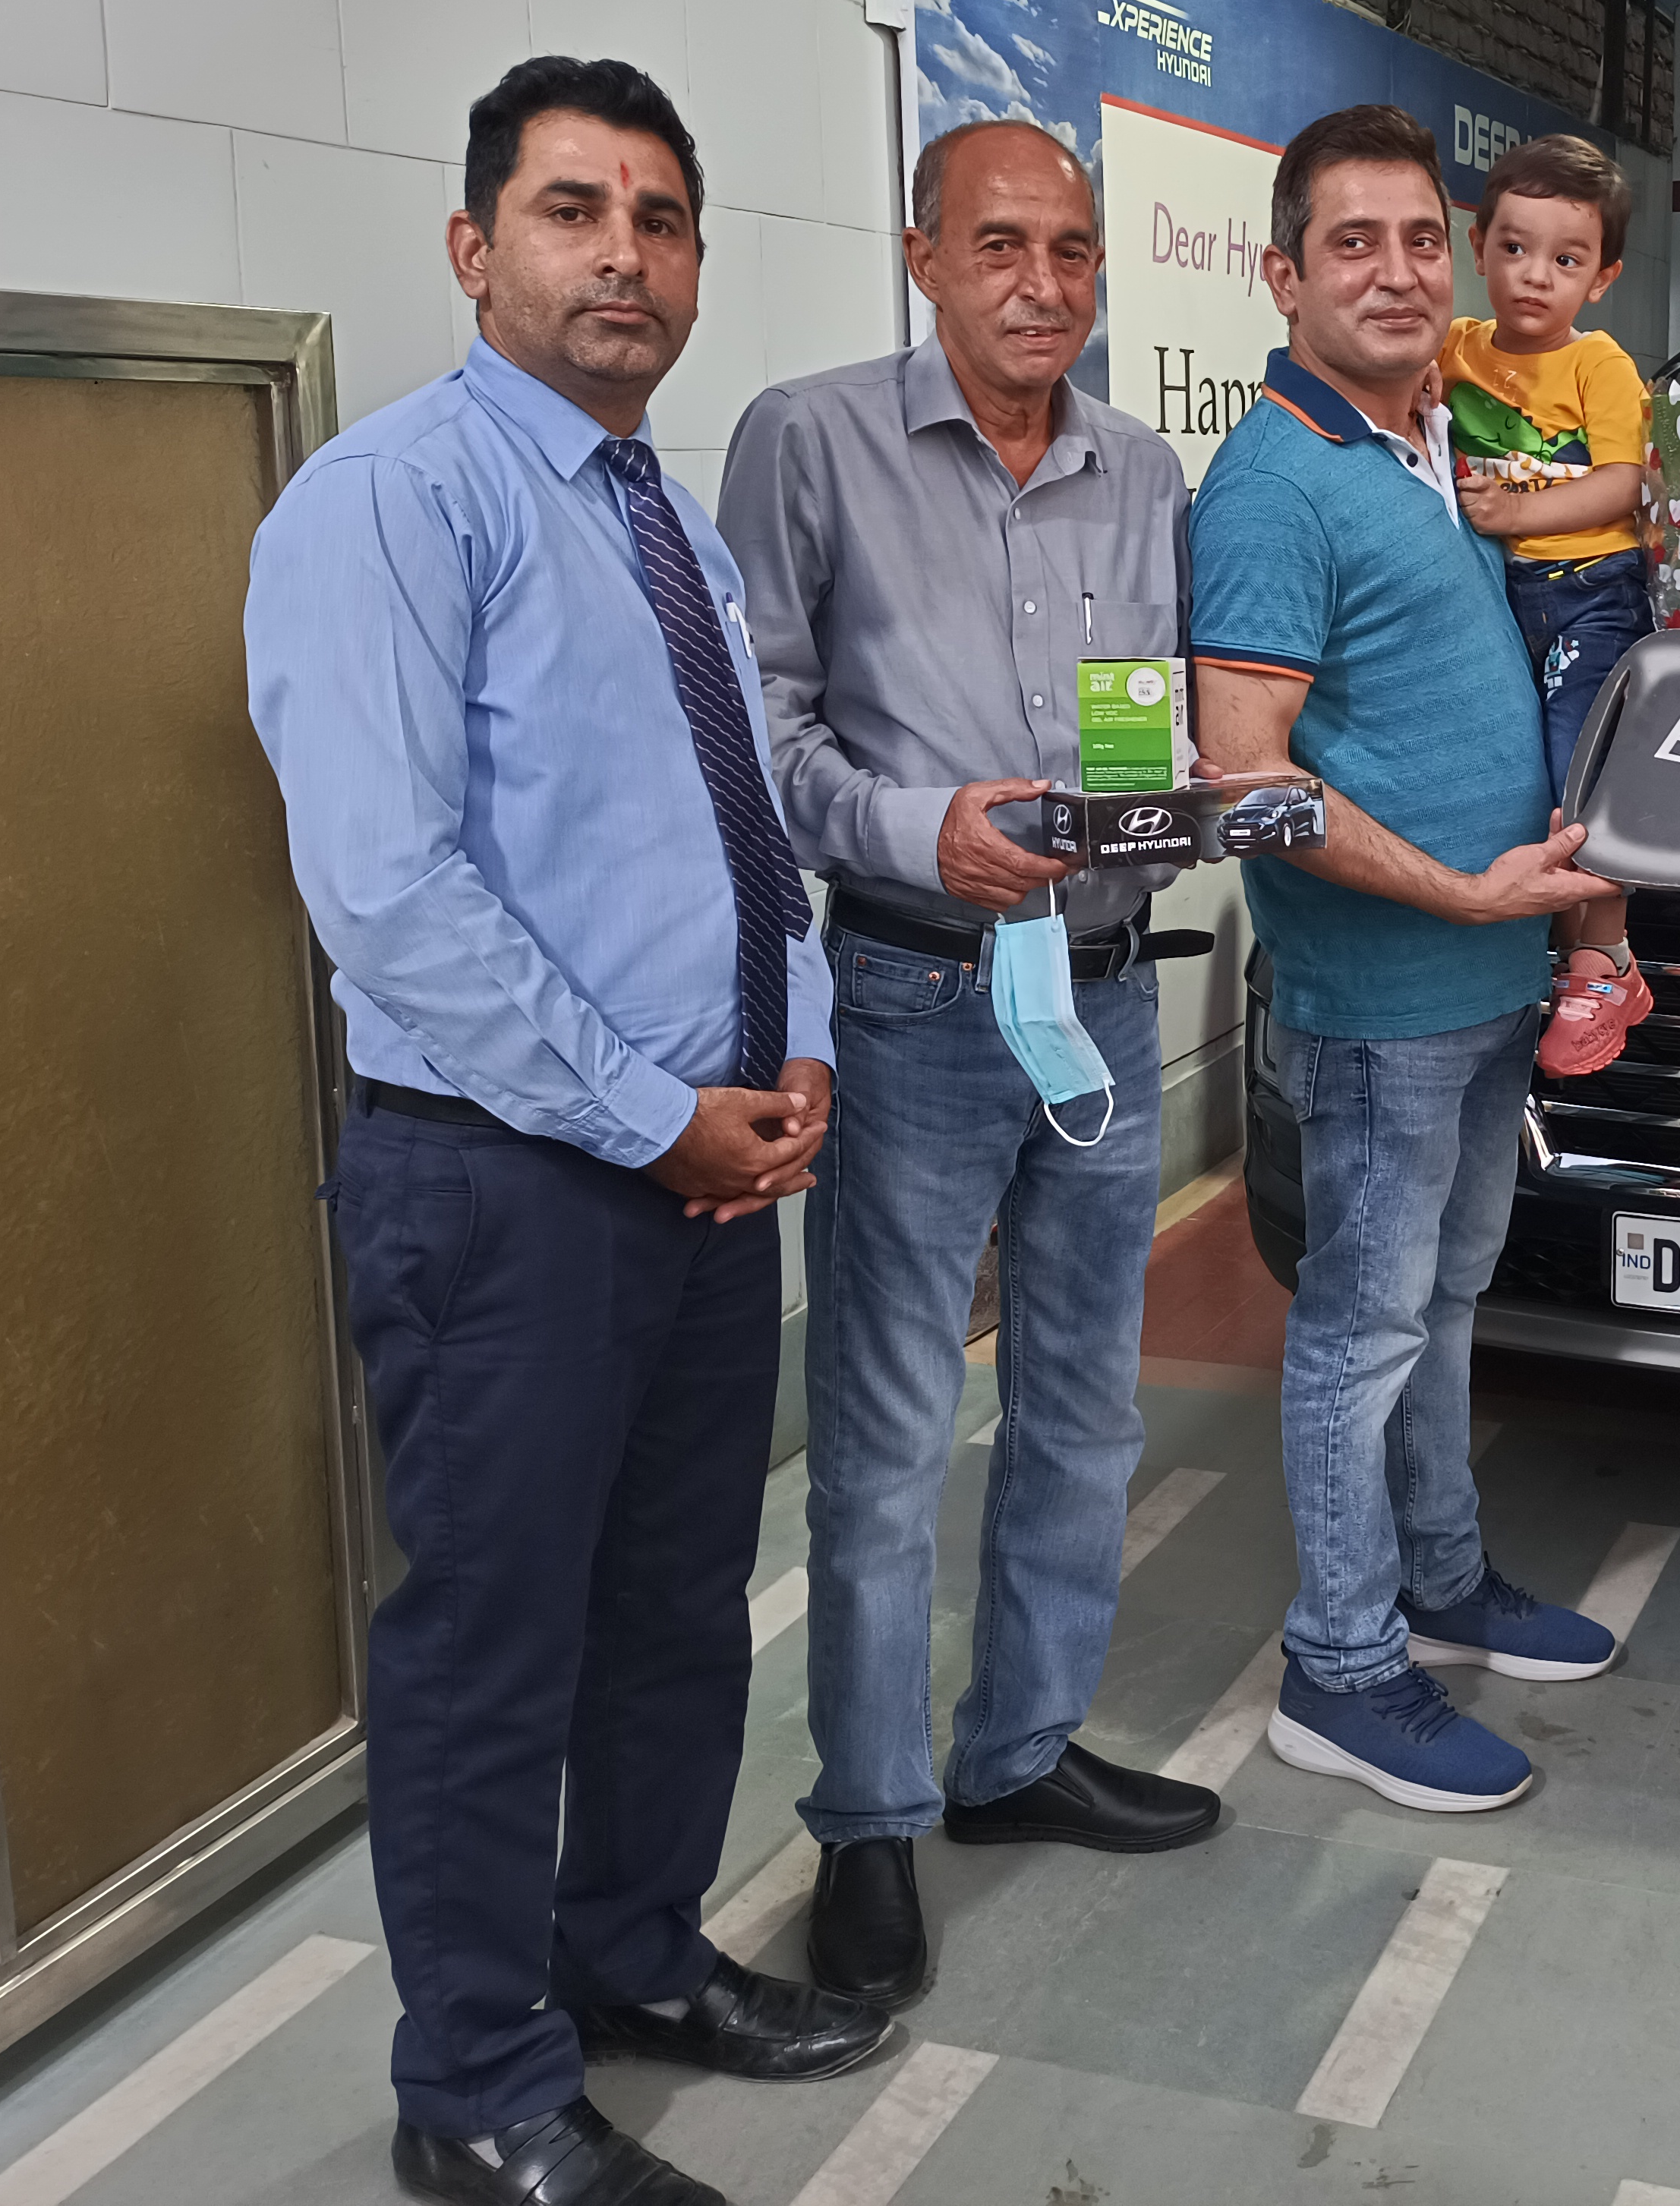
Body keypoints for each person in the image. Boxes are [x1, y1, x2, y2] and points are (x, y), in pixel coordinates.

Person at [247, 56, 888, 2206]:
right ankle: (474, 2084)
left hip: (698, 1168)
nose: (625, 255)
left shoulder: (663, 518)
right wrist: (651, 1116)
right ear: (474, 247)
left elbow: (738, 830)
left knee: (679, 1604)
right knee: (492, 1645)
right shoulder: (391, 502)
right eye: (571, 209)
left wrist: (794, 1049)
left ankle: (631, 1949)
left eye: (661, 218)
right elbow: (394, 895)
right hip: (506, 1182)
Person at [717, 118, 1221, 2016]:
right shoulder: (809, 437)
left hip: (1101, 994)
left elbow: (1144, 722)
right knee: (886, 1435)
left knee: (1085, 1406)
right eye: (1001, 245)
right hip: (914, 993)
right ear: (923, 254)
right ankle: (870, 1816)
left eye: (1073, 250)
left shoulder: (1140, 471)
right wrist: (917, 830)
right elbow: (755, 733)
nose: (1043, 284)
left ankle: (1018, 1750)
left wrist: (1175, 807)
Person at [1187, 104, 1624, 1813]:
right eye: (1351, 243)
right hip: (1382, 1004)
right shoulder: (1274, 482)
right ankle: (1340, 1665)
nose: (1395, 271)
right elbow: (1245, 781)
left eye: (1420, 241)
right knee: (1359, 1331)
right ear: (1282, 275)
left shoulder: (1431, 441)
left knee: (1441, 1305)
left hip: (1487, 982)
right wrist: (1455, 893)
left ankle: (1439, 1578)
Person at [1439, 131, 1656, 1075]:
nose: (1535, 276)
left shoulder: (1599, 365)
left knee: (1583, 775)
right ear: (1478, 245)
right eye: (1516, 249)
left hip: (1592, 595)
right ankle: (1551, 949)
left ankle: (1605, 960)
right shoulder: (1454, 348)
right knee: (1517, 780)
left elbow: (1622, 484)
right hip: (1499, 595)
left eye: (1567, 261)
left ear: (1602, 278)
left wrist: (1516, 512)